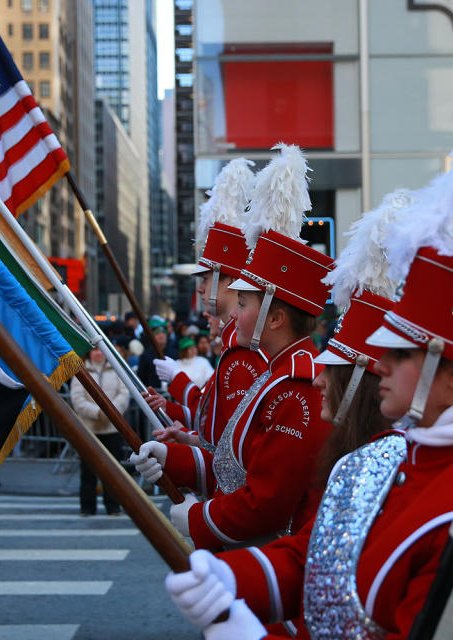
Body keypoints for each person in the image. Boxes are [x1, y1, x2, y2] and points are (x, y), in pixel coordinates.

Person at [162, 127, 453, 639]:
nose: (380, 365)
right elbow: (319, 562)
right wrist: (229, 576)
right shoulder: (392, 457)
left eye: (399, 354)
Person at [133, 144, 335, 551]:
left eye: (243, 304)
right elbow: (232, 465)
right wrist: (172, 457)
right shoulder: (277, 373)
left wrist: (198, 518)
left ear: (274, 318)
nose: (232, 312)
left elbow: (267, 502)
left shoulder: (295, 385)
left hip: (269, 557)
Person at [140, 157, 268, 463]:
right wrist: (182, 432)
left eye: (206, 279)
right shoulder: (231, 344)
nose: (199, 289)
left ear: (229, 282)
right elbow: (213, 421)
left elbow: (230, 450)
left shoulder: (241, 349)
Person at [71, 349, 130, 516]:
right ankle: (87, 507)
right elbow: (77, 399)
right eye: (94, 350)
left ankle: (113, 506)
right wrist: (98, 412)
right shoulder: (80, 370)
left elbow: (123, 394)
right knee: (88, 471)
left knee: (113, 470)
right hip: (90, 429)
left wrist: (110, 411)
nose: (98, 353)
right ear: (89, 353)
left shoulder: (115, 369)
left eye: (100, 350)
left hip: (112, 429)